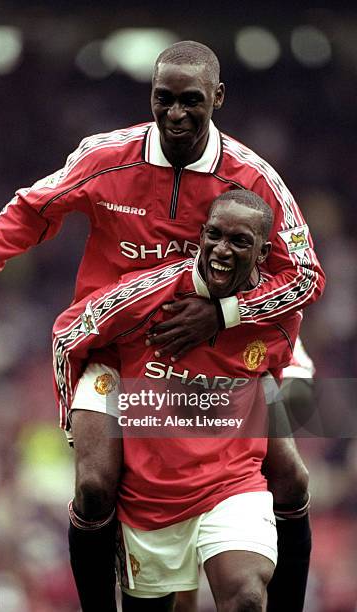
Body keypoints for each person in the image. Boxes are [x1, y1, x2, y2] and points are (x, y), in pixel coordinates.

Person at [0, 41, 324, 611]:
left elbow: (304, 277)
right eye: (164, 99)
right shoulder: (108, 156)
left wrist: (223, 313)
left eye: (191, 102)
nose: (176, 114)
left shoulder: (253, 178)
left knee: (292, 478)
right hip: (111, 345)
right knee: (97, 486)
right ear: (151, 97)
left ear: (218, 99)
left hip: (223, 350)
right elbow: (35, 207)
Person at [52, 190, 302, 611]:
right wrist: (72, 422)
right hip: (151, 493)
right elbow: (67, 335)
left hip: (232, 482)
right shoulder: (145, 295)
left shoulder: (281, 312)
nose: (222, 249)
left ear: (264, 252)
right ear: (200, 236)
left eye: (240, 241)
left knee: (246, 595)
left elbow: (270, 369)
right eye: (214, 236)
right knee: (94, 488)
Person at [174, 335, 316, 612]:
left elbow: (298, 390)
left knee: (293, 476)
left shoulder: (263, 305)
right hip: (170, 393)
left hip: (248, 380)